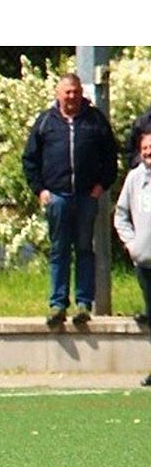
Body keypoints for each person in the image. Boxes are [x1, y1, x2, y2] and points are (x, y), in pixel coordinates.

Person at [22, 73, 118, 328]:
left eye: (75, 92)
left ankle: (84, 304)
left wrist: (101, 186)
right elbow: (30, 160)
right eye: (67, 92)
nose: (72, 97)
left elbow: (111, 156)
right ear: (58, 94)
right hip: (57, 198)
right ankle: (58, 304)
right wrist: (40, 190)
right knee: (59, 250)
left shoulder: (95, 120)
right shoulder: (45, 122)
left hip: (87, 196)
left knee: (85, 249)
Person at [113, 131, 151, 387]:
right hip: (145, 261)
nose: (149, 152)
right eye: (145, 148)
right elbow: (121, 215)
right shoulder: (134, 179)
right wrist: (131, 245)